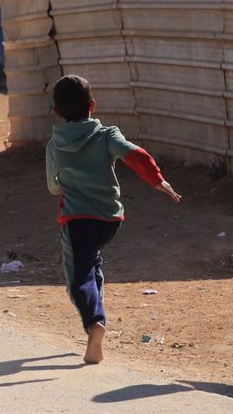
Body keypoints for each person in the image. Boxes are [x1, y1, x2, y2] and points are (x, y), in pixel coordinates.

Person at [46, 74, 181, 364]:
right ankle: (97, 311)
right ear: (92, 105)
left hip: (77, 220)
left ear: (56, 112)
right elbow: (136, 155)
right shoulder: (108, 135)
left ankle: (94, 323)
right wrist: (157, 180)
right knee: (91, 262)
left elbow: (53, 186)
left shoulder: (54, 146)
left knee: (78, 278)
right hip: (109, 220)